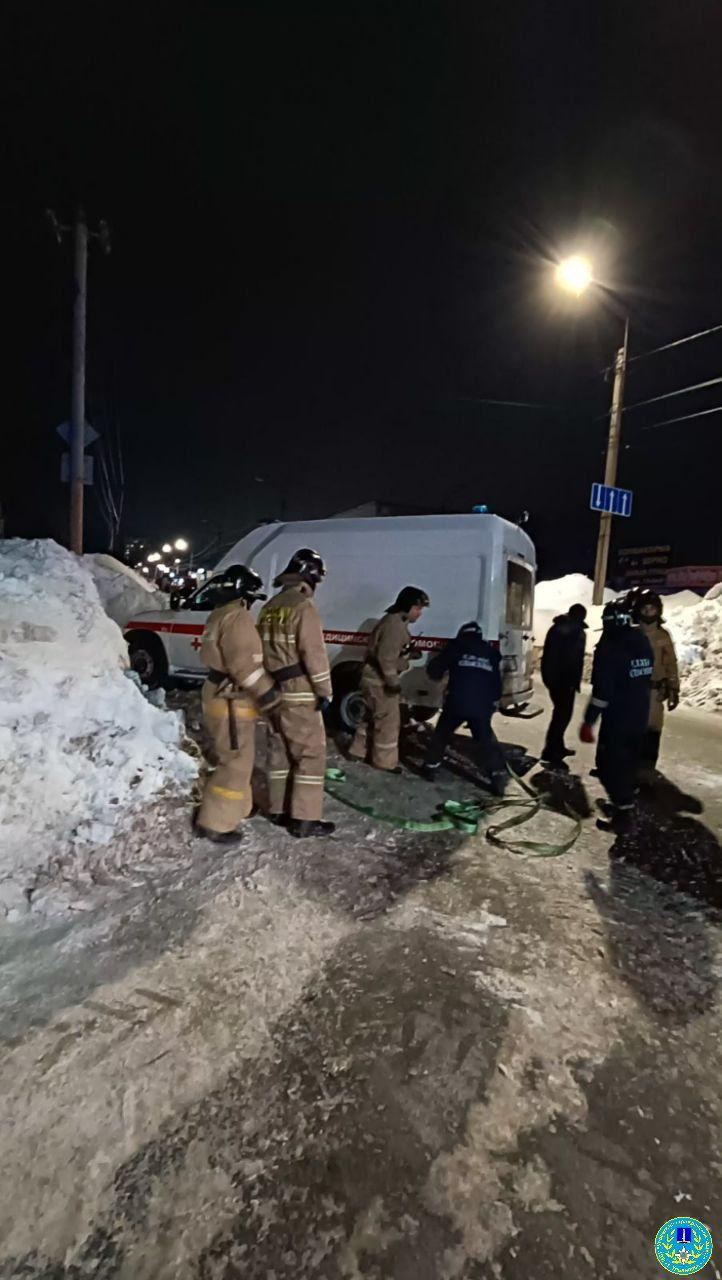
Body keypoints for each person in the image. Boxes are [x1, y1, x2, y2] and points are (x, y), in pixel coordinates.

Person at [195, 566, 280, 843]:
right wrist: (267, 692)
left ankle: (239, 807)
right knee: (235, 761)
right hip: (230, 698)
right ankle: (215, 822)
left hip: (218, 691)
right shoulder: (238, 617)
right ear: (245, 596)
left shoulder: (219, 614)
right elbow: (244, 666)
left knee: (240, 755)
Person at [258, 548, 335, 838]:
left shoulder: (270, 606)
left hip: (272, 690)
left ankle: (277, 809)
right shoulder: (302, 608)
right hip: (299, 692)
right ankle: (304, 819)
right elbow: (314, 654)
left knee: (279, 751)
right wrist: (325, 691)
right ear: (310, 577)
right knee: (310, 754)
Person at [579, 598, 654, 829]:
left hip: (618, 718)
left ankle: (623, 816)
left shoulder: (611, 646)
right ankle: (623, 804)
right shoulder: (641, 640)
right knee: (628, 763)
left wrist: (589, 721)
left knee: (609, 764)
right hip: (640, 714)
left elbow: (603, 691)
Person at [348, 586, 429, 773]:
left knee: (369, 717)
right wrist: (393, 683)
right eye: (417, 609)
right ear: (407, 606)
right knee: (388, 724)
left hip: (370, 679)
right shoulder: (395, 626)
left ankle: (357, 751)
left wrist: (408, 654)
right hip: (380, 682)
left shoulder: (392, 621)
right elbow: (386, 658)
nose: (419, 613)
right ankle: (384, 762)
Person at [422, 621, 508, 795]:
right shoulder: (491, 652)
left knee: (441, 734)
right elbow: (497, 687)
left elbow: (434, 670)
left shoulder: (456, 646)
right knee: (485, 741)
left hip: (457, 702)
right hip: (482, 706)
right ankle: (496, 778)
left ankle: (430, 768)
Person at [626, 588, 680, 782]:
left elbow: (671, 663)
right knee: (631, 729)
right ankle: (628, 766)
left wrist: (674, 688)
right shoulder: (630, 633)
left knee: (653, 730)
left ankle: (647, 767)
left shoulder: (662, 635)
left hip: (655, 691)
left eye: (652, 609)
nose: (649, 613)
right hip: (633, 690)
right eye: (645, 609)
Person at [540, 603, 587, 768]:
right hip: (562, 681)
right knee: (562, 715)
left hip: (560, 680)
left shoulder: (563, 629)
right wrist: (566, 681)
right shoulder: (568, 631)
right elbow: (567, 659)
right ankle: (551, 750)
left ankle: (556, 747)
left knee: (561, 715)